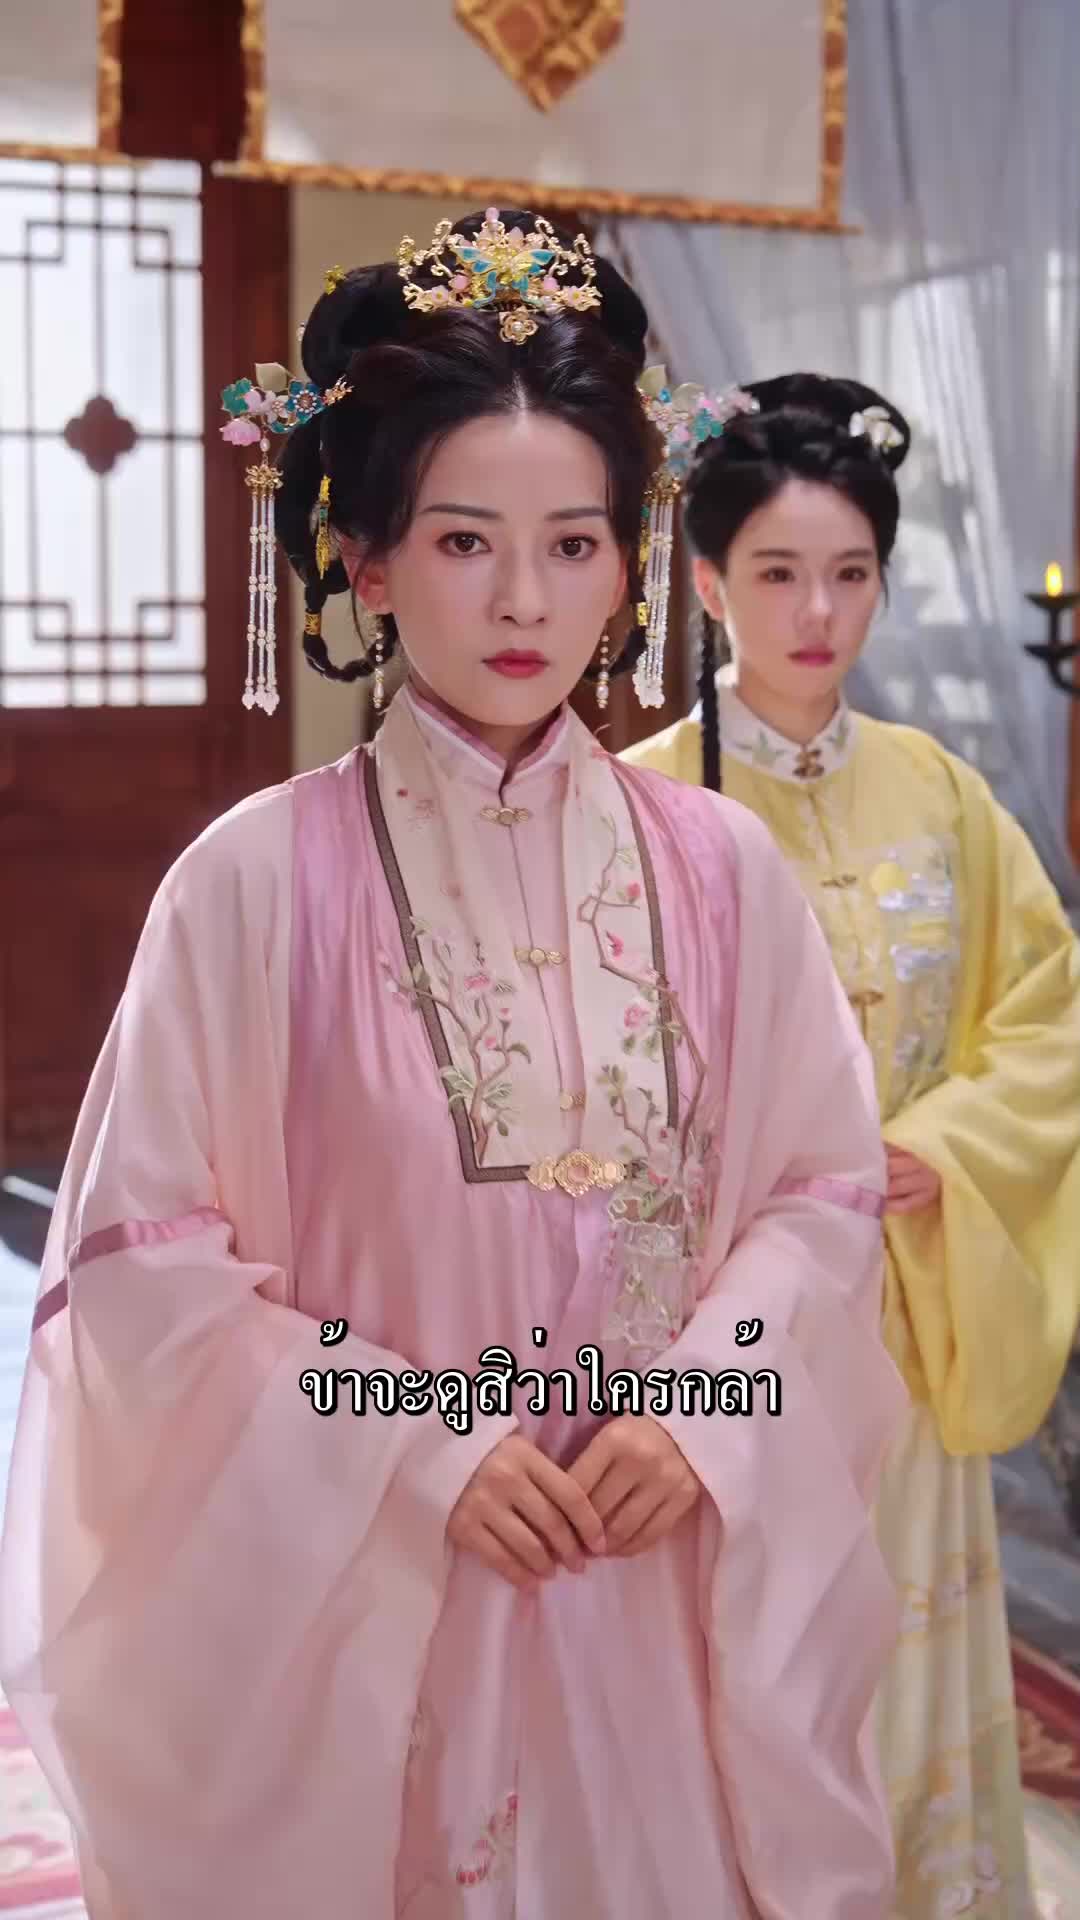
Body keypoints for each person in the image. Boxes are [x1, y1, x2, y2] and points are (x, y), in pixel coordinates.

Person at [0, 228, 906, 1920]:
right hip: (382, 1596)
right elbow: (145, 1273)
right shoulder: (252, 884)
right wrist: (418, 1448)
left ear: (634, 562)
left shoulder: (723, 873)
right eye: (464, 541)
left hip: (656, 1573)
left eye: (573, 544)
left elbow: (823, 1192)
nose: (523, 603)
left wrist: (707, 1410)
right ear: (364, 560)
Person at [623, 369, 1080, 1917]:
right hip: (727, 1319)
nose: (818, 613)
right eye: (776, 573)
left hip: (908, 1292)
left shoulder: (942, 796)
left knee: (902, 1642)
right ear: (706, 581)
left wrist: (945, 1143)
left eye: (852, 573)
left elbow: (1046, 1013)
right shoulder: (641, 806)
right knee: (748, 1656)